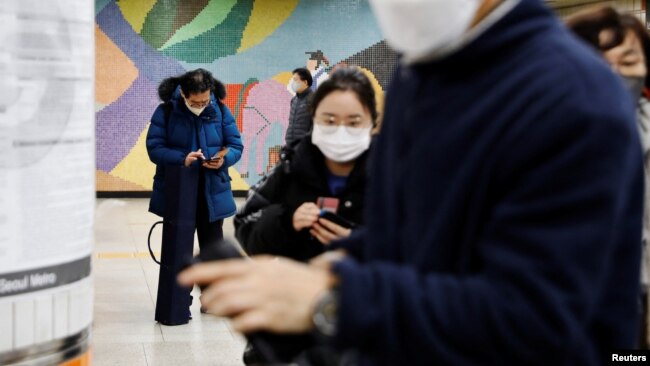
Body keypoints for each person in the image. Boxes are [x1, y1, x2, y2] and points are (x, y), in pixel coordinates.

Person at [179, 1, 644, 364]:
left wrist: (333, 301)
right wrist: (324, 269)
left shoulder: (572, 99)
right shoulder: (422, 73)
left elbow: (536, 321)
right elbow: (412, 235)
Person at [566, 6, 650, 348]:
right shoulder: (547, 137)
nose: (614, 76)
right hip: (574, 294)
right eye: (599, 64)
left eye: (628, 63)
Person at [236, 66, 375, 262]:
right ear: (315, 120)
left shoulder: (393, 176)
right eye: (330, 120)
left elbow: (419, 243)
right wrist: (286, 220)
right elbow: (247, 227)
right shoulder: (289, 169)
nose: (340, 130)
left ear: (372, 124)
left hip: (365, 290)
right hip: (296, 288)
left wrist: (362, 242)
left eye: (353, 122)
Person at [147, 68, 243, 273]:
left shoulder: (221, 110)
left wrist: (223, 160)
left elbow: (236, 145)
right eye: (195, 103)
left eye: (205, 101)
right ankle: (178, 302)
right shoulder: (166, 112)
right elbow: (154, 148)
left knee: (213, 253)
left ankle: (210, 301)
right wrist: (182, 159)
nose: (201, 106)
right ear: (183, 93)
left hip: (213, 193)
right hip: (179, 192)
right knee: (178, 252)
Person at [285, 68, 314, 147]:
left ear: (305, 82)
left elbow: (316, 125)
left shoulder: (314, 99)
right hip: (290, 144)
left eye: (295, 80)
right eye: (292, 80)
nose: (292, 83)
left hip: (305, 147)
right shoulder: (294, 100)